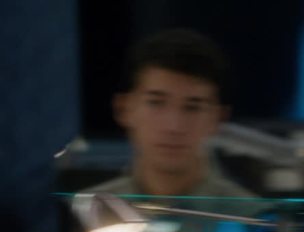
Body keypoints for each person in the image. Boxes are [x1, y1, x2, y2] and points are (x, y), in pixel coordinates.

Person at [86, 29, 255, 198]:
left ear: (218, 119)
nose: (173, 126)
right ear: (124, 110)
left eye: (192, 107)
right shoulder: (86, 210)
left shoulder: (253, 213)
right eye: (156, 103)